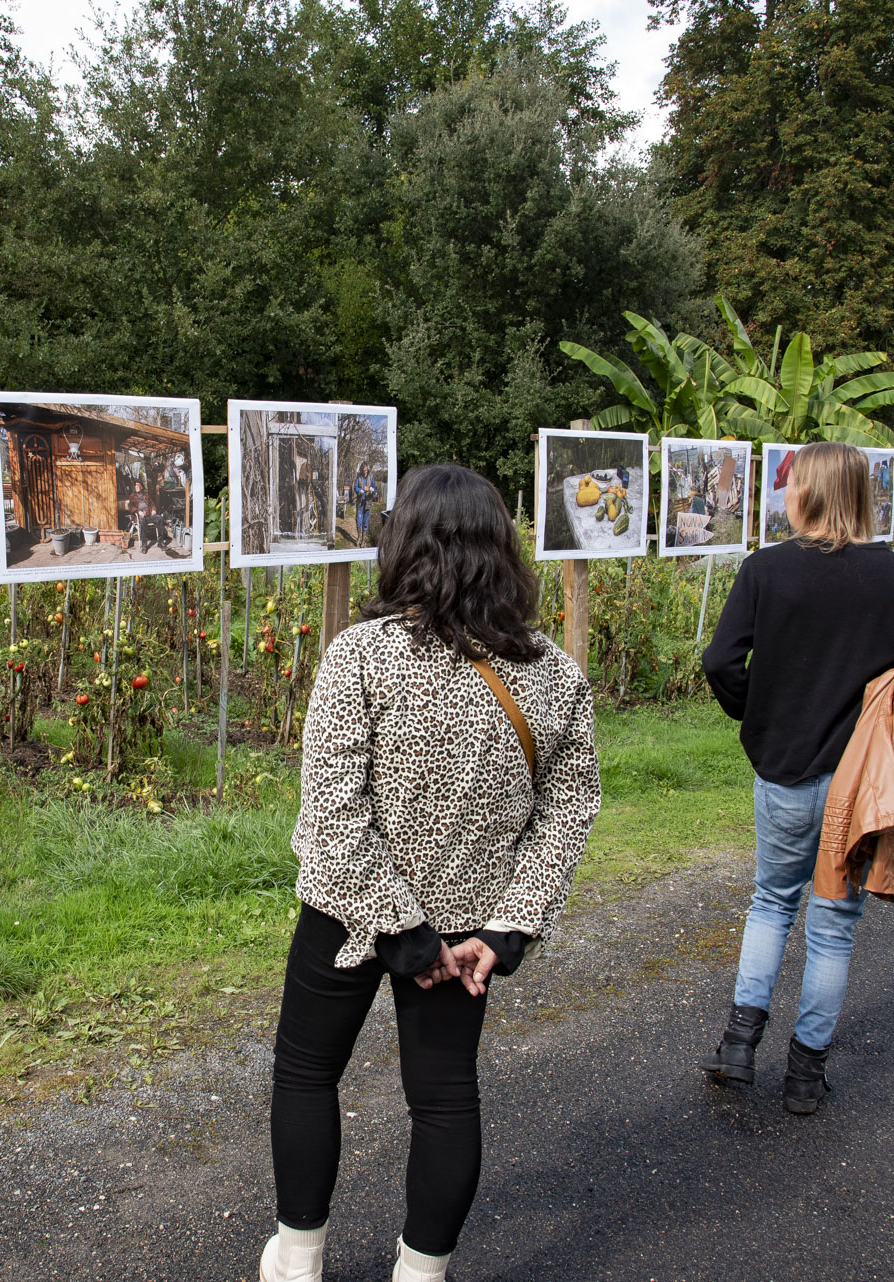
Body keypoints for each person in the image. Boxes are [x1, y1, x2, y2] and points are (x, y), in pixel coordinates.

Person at [260, 464, 599, 1282]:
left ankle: (298, 1262)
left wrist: (398, 925)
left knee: (308, 1074)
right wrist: (510, 926)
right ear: (501, 550)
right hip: (466, 936)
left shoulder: (363, 655)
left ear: (402, 543)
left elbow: (333, 815)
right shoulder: (552, 672)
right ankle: (421, 1274)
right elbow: (572, 807)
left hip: (349, 917)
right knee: (444, 1100)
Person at [699, 443, 894, 1114]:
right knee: (834, 923)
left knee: (772, 902)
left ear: (806, 494)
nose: (783, 497)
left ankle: (739, 1047)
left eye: (790, 486)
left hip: (784, 767)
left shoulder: (766, 570)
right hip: (866, 783)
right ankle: (806, 1075)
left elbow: (720, 660)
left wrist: (762, 711)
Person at [351, 461, 379, 542]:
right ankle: (359, 538)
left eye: (366, 470)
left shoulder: (371, 477)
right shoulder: (358, 477)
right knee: (358, 519)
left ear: (367, 469)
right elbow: (355, 487)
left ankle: (363, 540)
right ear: (361, 470)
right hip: (360, 501)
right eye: (363, 470)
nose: (365, 472)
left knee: (365, 521)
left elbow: (374, 488)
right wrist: (360, 491)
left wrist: (372, 490)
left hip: (368, 502)